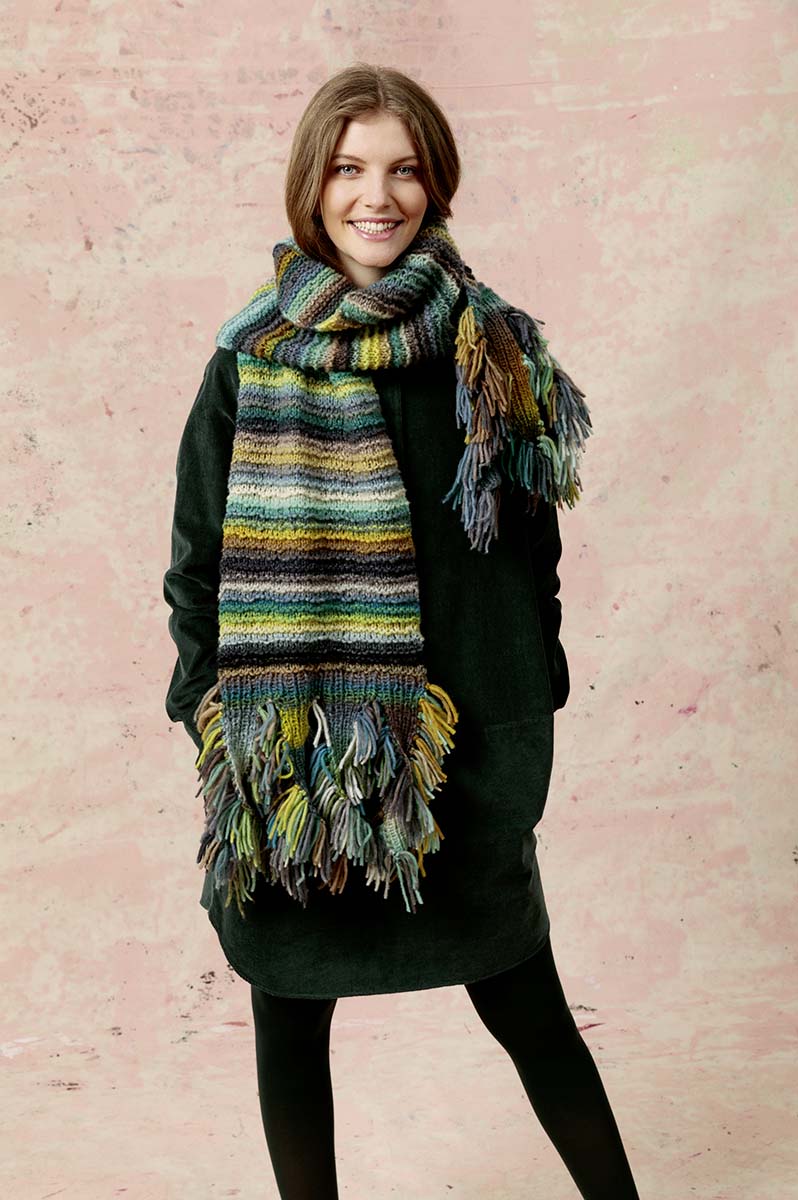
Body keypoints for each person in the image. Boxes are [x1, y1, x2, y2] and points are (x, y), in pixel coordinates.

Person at [163, 62, 640, 1200]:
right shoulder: (246, 363)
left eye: (403, 170)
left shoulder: (487, 350)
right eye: (347, 169)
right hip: (300, 766)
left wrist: (531, 695)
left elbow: (532, 546)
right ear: (311, 185)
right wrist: (215, 715)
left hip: (466, 757)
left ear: (436, 185)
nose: (375, 197)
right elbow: (195, 564)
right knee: (289, 1016)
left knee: (528, 1007)